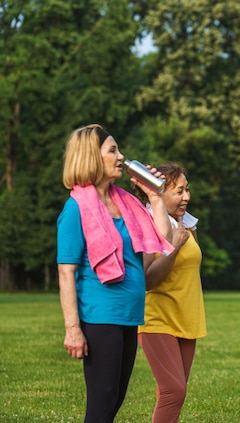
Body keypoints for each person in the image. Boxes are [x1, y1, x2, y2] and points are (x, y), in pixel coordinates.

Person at [57, 124, 174, 422]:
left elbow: (162, 236)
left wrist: (156, 197)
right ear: (91, 157)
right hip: (100, 316)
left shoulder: (126, 202)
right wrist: (73, 329)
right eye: (112, 150)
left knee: (113, 402)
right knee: (101, 404)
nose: (121, 157)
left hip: (129, 314)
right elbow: (66, 272)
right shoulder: (76, 209)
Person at [135, 162, 207, 422]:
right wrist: (173, 247)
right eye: (178, 191)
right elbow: (148, 280)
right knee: (173, 391)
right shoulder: (147, 224)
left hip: (187, 318)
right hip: (157, 319)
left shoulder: (186, 224)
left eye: (187, 189)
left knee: (173, 394)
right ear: (159, 193)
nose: (186, 196)